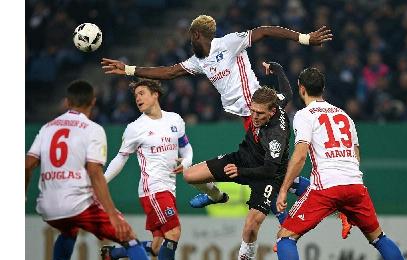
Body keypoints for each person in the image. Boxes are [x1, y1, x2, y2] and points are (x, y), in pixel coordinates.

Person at [100, 15, 353, 238]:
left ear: (197, 35)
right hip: (249, 119)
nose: (188, 43)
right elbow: (170, 72)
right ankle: (225, 198)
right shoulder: (200, 61)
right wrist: (129, 69)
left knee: (272, 172)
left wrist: (305, 39)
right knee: (275, 172)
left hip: (264, 114)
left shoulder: (228, 43)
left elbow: (264, 31)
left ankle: (310, 214)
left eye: (190, 38)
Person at [271, 68, 407, 260]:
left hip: (326, 187)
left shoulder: (304, 115)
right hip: (355, 185)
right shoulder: (345, 116)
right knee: (379, 237)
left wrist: (283, 190)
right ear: (322, 89)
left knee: (285, 237)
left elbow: (300, 155)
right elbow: (356, 155)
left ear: (301, 89)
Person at [25, 80, 161, 260]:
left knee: (68, 230)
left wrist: (22, 194)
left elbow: (26, 165)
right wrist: (111, 215)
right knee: (130, 238)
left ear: (67, 102)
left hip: (47, 205)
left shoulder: (47, 128)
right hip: (79, 203)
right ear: (93, 102)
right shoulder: (93, 129)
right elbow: (96, 174)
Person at [183, 82, 290, 260]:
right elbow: (287, 91)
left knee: (251, 227)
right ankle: (217, 196)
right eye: (253, 111)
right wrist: (276, 67)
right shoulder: (276, 103)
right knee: (189, 175)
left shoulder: (276, 134)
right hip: (243, 158)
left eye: (260, 113)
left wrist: (240, 172)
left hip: (267, 176)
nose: (255, 116)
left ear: (271, 112)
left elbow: (269, 169)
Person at [99, 79, 192, 260]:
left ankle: (113, 254)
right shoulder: (135, 128)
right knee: (174, 231)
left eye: (142, 93)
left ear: (155, 94)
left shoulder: (175, 120)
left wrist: (186, 163)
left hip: (170, 188)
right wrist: (101, 182)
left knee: (159, 246)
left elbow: (186, 149)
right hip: (153, 189)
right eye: (136, 95)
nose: (138, 98)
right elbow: (120, 159)